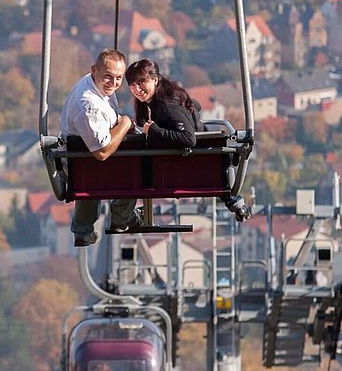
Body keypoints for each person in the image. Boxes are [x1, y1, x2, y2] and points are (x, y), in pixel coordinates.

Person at [123, 59, 250, 221]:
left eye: (141, 82)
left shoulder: (165, 106)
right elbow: (195, 106)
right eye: (132, 84)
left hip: (182, 168)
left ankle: (123, 215)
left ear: (154, 80)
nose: (137, 89)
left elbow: (188, 138)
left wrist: (154, 130)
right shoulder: (167, 98)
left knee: (130, 166)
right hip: (201, 165)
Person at [60, 49, 140, 246]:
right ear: (94, 70)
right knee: (139, 163)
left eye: (119, 78)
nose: (113, 84)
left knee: (88, 169)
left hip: (80, 162)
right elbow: (102, 152)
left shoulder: (94, 84)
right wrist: (126, 124)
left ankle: (83, 226)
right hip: (87, 165)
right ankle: (122, 217)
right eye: (108, 77)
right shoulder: (89, 104)